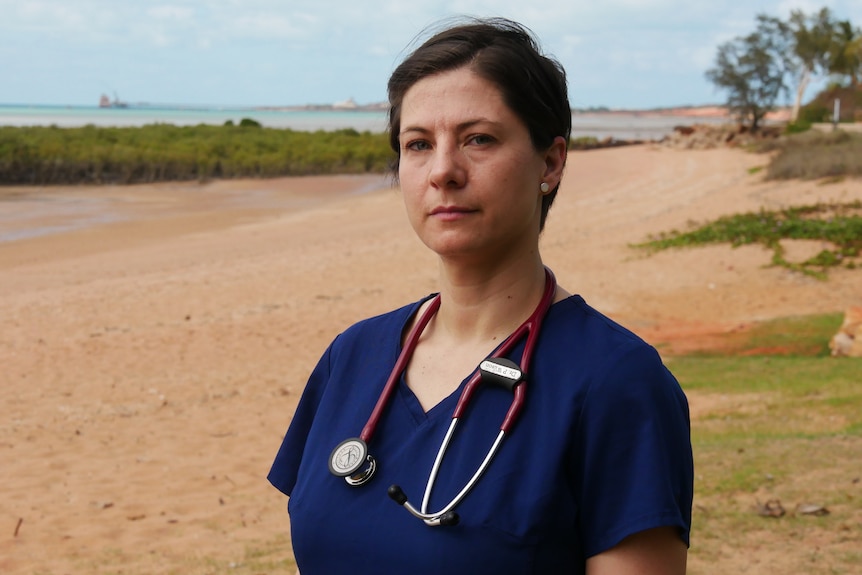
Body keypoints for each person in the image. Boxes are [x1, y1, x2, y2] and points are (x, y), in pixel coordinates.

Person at [268, 17, 693, 574]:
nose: (443, 170)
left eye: (478, 139)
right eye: (418, 144)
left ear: (551, 161)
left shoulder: (616, 382)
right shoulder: (353, 357)